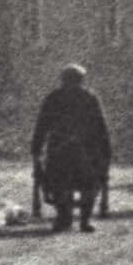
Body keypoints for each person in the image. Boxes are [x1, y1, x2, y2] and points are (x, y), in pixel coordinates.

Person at [31, 62, 113, 231]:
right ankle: (83, 220)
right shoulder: (89, 98)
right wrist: (106, 151)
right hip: (84, 150)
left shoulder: (54, 98)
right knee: (88, 184)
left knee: (60, 183)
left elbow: (41, 127)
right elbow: (101, 127)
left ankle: (65, 218)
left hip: (62, 150)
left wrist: (36, 150)